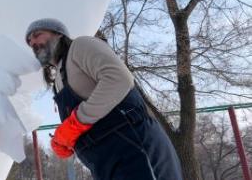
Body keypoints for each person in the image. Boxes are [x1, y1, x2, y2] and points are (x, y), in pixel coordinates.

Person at [25, 18, 183, 180]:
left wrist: (76, 123)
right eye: (30, 42)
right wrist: (67, 141)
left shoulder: (80, 46)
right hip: (105, 163)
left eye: (37, 35)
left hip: (134, 148)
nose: (33, 43)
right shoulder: (59, 76)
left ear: (59, 34)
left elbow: (119, 79)